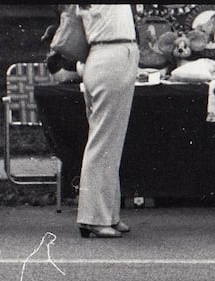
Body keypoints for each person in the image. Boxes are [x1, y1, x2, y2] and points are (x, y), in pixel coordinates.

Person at [72, 4, 138, 239]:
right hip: (111, 55)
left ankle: (107, 214)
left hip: (111, 54)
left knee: (109, 141)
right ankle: (93, 217)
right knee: (104, 141)